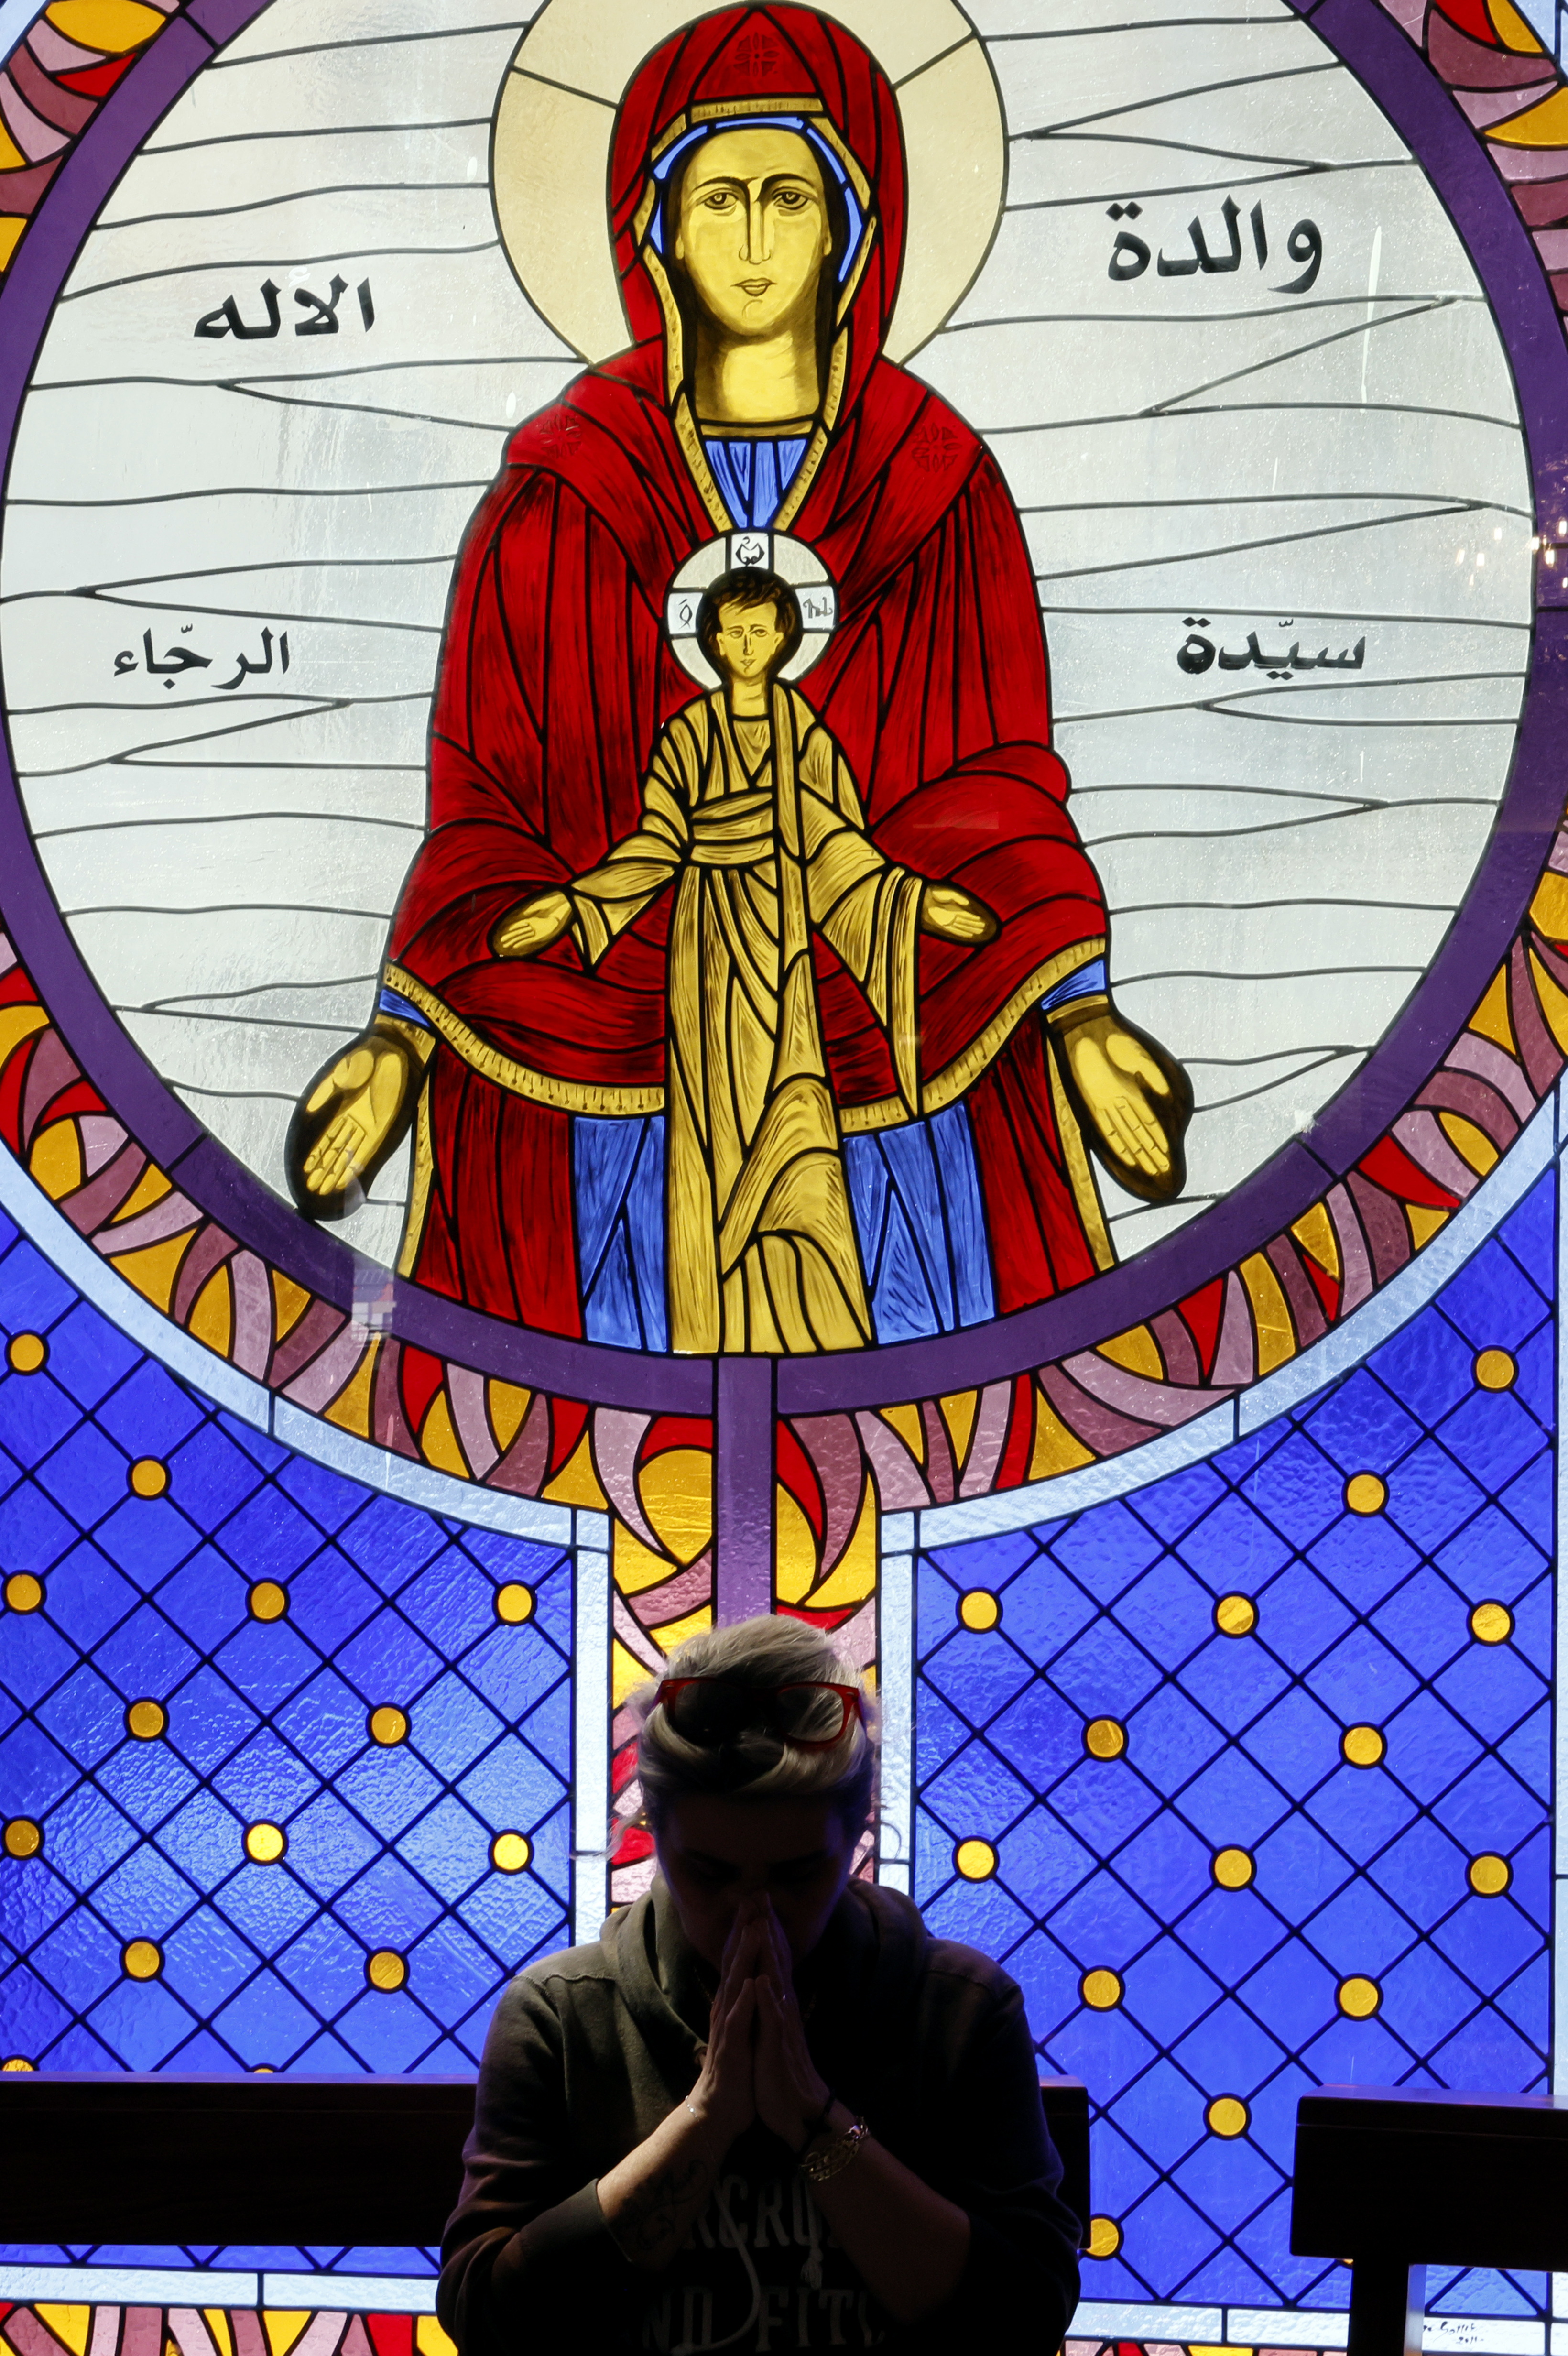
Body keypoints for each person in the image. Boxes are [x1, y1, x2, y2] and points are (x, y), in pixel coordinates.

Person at [287, 5, 1190, 1344]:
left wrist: (1076, 1009)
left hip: (882, 1031)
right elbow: (488, 793)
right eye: (719, 198)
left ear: (850, 227)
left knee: (895, 1367)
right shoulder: (565, 488)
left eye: (789, 197)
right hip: (614, 1042)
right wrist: (399, 1039)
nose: (756, 241)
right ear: (654, 225)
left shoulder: (934, 482)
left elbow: (998, 779)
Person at [439, 1615, 1082, 2354]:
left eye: (797, 1874)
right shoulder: (563, 2015)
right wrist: (707, 2118)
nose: (753, 1912)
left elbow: (1026, 2315)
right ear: (652, 1827)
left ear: (858, 1831)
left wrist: (813, 2119)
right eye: (708, 1873)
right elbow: (487, 2320)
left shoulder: (959, 2011)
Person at [491, 565, 997, 1353]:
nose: (748, 644)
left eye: (763, 629)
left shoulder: (806, 735)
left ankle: (818, 1329)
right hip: (709, 950)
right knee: (714, 1135)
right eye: (734, 631)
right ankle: (715, 1329)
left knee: (799, 1120)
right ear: (712, 640)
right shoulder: (689, 735)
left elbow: (837, 848)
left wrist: (913, 901)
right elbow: (659, 841)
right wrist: (575, 902)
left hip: (786, 936)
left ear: (789, 636)